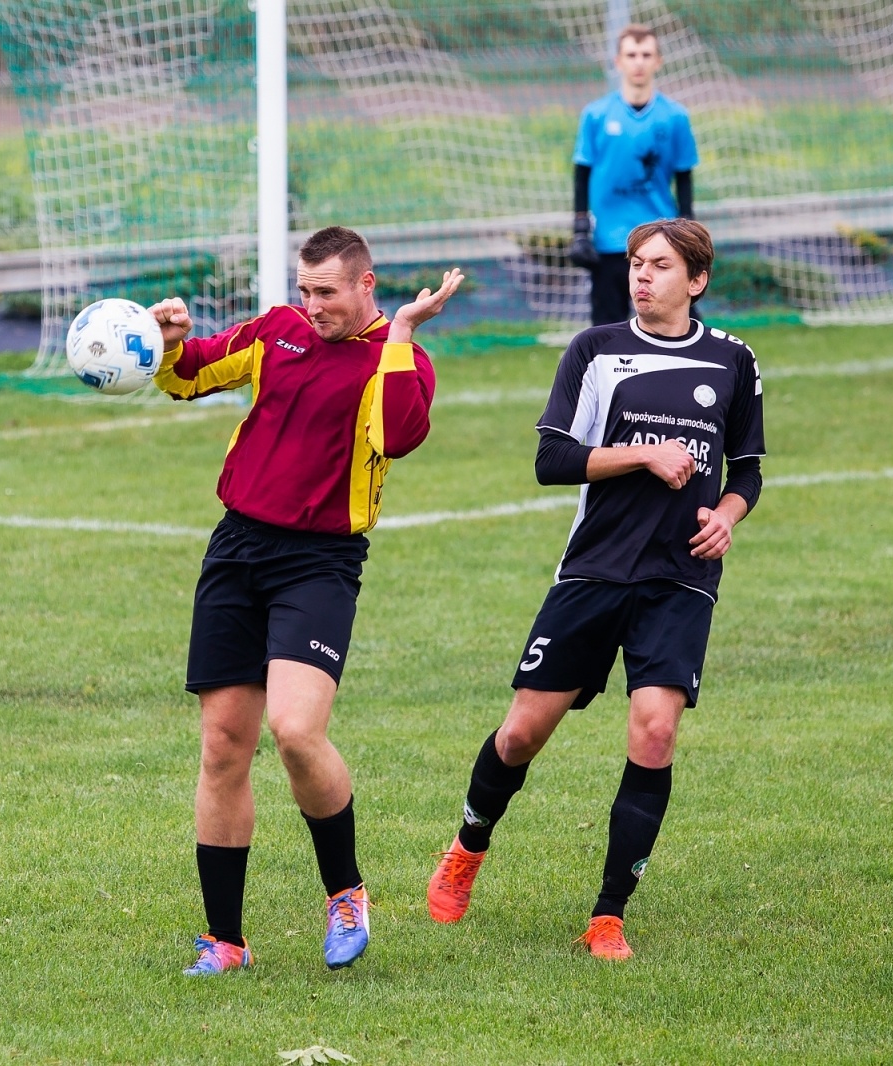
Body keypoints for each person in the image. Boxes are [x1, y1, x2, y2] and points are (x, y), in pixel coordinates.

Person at [428, 218, 763, 960]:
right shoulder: (596, 351)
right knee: (521, 733)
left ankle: (608, 915)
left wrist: (729, 516)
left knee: (655, 729)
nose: (644, 277)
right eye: (637, 265)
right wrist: (644, 455)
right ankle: (468, 847)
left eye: (661, 267)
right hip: (594, 569)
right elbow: (552, 459)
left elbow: (747, 469)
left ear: (697, 281)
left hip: (681, 576)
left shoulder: (734, 361)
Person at [150, 226, 462, 975]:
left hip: (319, 564)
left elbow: (396, 432)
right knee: (223, 745)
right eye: (305, 289)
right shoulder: (278, 331)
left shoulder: (403, 360)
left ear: (366, 286)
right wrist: (164, 341)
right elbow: (186, 377)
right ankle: (226, 941)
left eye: (326, 292)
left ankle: (345, 892)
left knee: (294, 731)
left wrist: (407, 331)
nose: (311, 305)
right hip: (237, 552)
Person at [568, 24, 699, 327]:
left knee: (680, 325)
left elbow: (684, 177)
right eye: (631, 54)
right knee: (606, 332)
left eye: (646, 54)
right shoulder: (596, 114)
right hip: (609, 242)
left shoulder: (675, 116)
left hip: (662, 239)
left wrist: (688, 229)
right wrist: (579, 229)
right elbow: (581, 174)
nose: (638, 61)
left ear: (658, 61)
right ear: (619, 62)